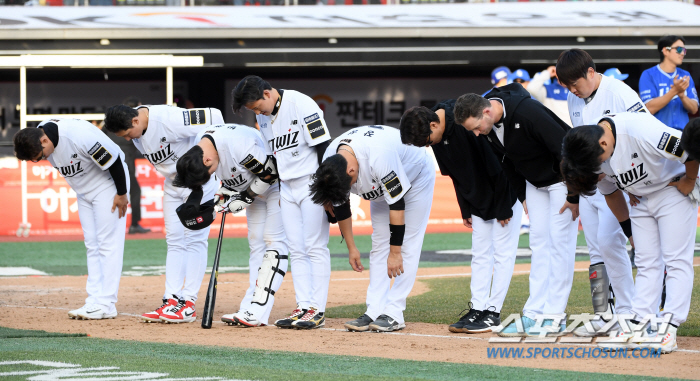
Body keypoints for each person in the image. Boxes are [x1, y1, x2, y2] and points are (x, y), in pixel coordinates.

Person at [560, 112, 698, 353]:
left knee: (676, 259)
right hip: (640, 199)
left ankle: (670, 325)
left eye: (597, 162)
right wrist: (629, 232)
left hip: (672, 189)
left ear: (604, 142)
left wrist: (689, 178)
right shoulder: (591, 153)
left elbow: (691, 148)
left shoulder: (639, 129)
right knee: (646, 262)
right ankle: (639, 322)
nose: (598, 168)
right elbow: (612, 193)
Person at [454, 86, 578, 337]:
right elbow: (507, 162)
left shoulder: (528, 111)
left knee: (560, 245)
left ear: (487, 111)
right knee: (539, 244)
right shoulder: (489, 127)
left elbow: (565, 148)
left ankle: (555, 317)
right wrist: (522, 195)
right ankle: (533, 314)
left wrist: (574, 192)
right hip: (535, 185)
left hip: (562, 180)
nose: (477, 134)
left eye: (477, 127)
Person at [399, 103, 522, 334]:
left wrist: (504, 205)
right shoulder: (435, 132)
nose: (428, 145)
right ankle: (477, 308)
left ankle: (493, 313)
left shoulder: (464, 119)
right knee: (480, 255)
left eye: (427, 140)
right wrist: (465, 208)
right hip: (478, 199)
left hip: (504, 193)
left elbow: (497, 165)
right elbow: (453, 174)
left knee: (503, 254)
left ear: (434, 124)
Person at [103, 104, 224, 324]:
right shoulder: (139, 127)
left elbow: (215, 116)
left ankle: (188, 303)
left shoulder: (169, 119)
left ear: (135, 121)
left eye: (128, 134)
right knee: (175, 241)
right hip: (172, 185)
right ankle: (172, 299)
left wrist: (208, 157)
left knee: (195, 240)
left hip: (198, 183)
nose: (129, 139)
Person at [310, 125, 435, 332]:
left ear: (351, 170)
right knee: (379, 244)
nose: (349, 190)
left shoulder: (379, 156)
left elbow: (396, 204)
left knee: (406, 245)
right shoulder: (331, 163)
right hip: (378, 185)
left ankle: (394, 312)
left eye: (349, 185)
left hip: (415, 176)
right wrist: (351, 247)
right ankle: (375, 310)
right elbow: (341, 207)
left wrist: (395, 252)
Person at [232, 75, 332, 330]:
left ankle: (317, 310)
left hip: (311, 181)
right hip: (286, 186)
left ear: (267, 93)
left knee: (315, 246)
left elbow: (323, 148)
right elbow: (273, 157)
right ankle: (304, 305)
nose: (257, 113)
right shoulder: (264, 117)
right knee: (297, 248)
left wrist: (328, 190)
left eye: (256, 107)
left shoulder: (301, 103)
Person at [556, 48, 641, 337]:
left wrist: (631, 185)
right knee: (595, 249)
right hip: (592, 184)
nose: (572, 90)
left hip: (618, 182)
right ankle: (604, 313)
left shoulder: (620, 92)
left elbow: (641, 133)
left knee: (609, 242)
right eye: (567, 86)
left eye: (575, 84)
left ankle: (629, 311)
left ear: (590, 73)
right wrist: (575, 194)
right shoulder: (573, 97)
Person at [172, 123, 288, 327]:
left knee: (273, 241)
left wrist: (245, 197)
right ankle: (250, 307)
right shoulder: (202, 143)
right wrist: (225, 191)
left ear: (207, 159)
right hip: (253, 188)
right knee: (256, 245)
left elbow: (270, 173)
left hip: (277, 186)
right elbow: (228, 171)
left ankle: (258, 309)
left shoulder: (239, 145)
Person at [14, 118, 129, 320]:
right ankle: (94, 300)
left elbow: (114, 161)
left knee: (108, 244)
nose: (39, 160)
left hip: (108, 185)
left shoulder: (78, 136)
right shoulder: (43, 136)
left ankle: (107, 303)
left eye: (38, 157)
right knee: (92, 244)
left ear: (43, 141)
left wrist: (121, 193)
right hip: (83, 191)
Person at [103, 97, 150, 234]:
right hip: (124, 165)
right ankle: (134, 224)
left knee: (111, 195)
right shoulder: (134, 125)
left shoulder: (111, 124)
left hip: (107, 165)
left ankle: (109, 226)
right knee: (134, 192)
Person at [639, 35, 699, 130]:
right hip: (657, 134)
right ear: (666, 51)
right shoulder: (648, 74)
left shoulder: (685, 75)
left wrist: (682, 95)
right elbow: (649, 109)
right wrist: (674, 91)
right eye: (679, 49)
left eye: (684, 50)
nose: (683, 53)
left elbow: (694, 109)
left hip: (682, 134)